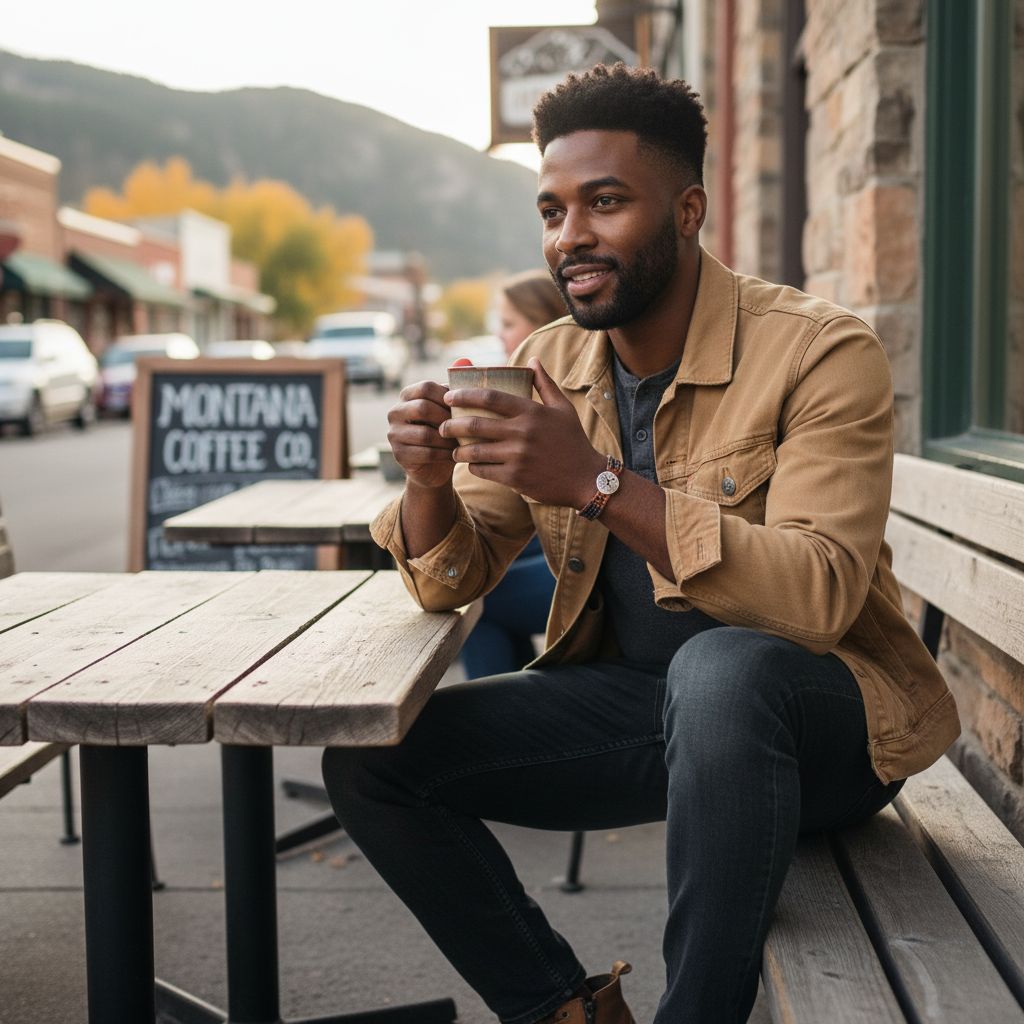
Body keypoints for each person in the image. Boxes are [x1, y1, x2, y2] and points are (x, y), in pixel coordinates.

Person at [323, 64, 960, 1024]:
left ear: (689, 209)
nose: (569, 236)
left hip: (827, 727)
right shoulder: (544, 363)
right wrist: (424, 484)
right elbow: (450, 579)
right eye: (551, 210)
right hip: (645, 715)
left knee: (722, 671)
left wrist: (594, 482)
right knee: (373, 760)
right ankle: (566, 1012)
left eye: (605, 203)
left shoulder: (821, 352)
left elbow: (824, 595)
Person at [459, 270, 565, 678]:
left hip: (606, 564)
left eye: (508, 324)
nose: (501, 337)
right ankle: (521, 694)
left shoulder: (559, 389)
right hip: (561, 535)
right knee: (481, 572)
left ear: (541, 324)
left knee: (477, 599)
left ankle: (498, 717)